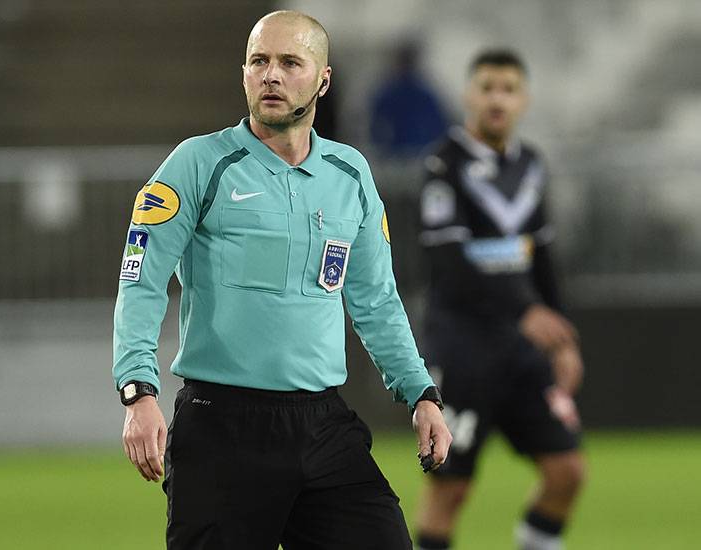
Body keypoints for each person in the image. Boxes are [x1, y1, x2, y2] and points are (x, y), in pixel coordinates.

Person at [114, 10, 451, 550]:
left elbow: (376, 300)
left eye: (289, 62)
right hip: (222, 427)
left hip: (322, 425)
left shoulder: (351, 175)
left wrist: (421, 393)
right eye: (258, 61)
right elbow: (141, 281)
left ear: (323, 79)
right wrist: (138, 390)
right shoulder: (198, 164)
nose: (270, 75)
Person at [412, 49, 586, 550]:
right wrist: (523, 310)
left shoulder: (530, 165)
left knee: (567, 472)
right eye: (487, 87)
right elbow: (448, 261)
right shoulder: (443, 164)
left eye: (508, 89)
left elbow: (543, 259)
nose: (497, 99)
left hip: (523, 352)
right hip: (464, 349)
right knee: (451, 490)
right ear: (469, 95)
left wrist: (563, 340)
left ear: (523, 100)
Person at [370, 41, 450, 158]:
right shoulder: (390, 92)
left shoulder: (423, 93)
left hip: (414, 153)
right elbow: (376, 123)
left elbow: (439, 124)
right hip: (399, 154)